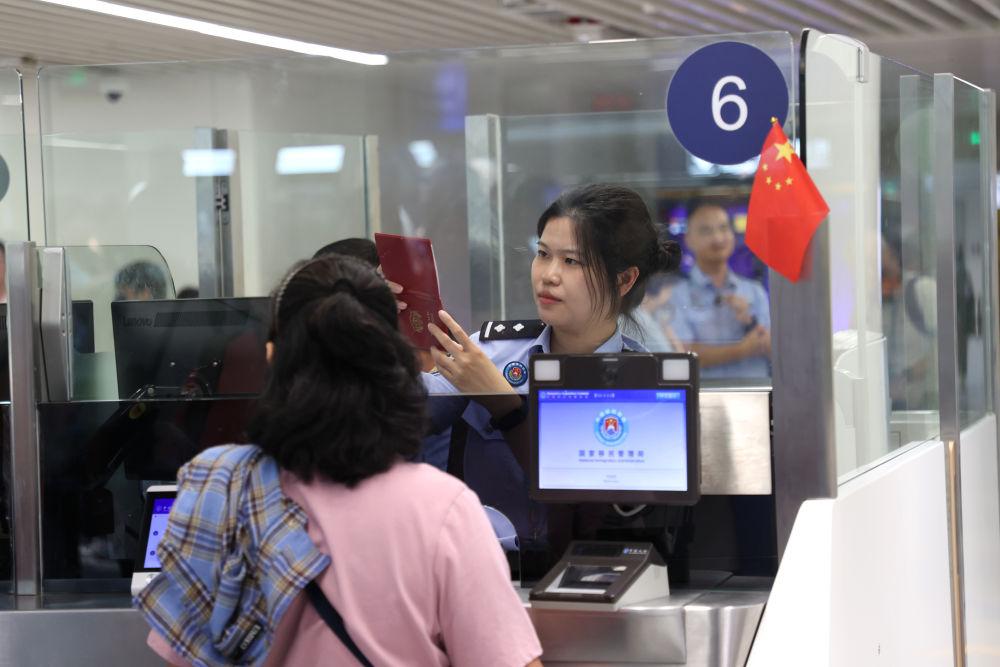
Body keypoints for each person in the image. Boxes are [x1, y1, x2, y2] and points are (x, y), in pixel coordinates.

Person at [136, 254, 543, 667]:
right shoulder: (443, 510)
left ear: (273, 357)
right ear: (395, 364)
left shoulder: (218, 485)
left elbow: (184, 659)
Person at [403, 184, 681, 545]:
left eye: (572, 261)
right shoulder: (493, 352)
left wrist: (505, 405)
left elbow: (596, 505)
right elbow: (408, 410)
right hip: (488, 566)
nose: (548, 274)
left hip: (585, 570)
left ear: (624, 279)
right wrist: (380, 325)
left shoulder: (644, 385)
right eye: (543, 254)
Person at [667, 202, 771, 379]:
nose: (717, 238)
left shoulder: (754, 291)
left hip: (757, 390)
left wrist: (750, 321)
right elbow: (682, 353)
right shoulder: (677, 295)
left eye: (723, 228)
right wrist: (742, 349)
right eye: (706, 231)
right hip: (704, 393)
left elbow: (774, 348)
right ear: (688, 239)